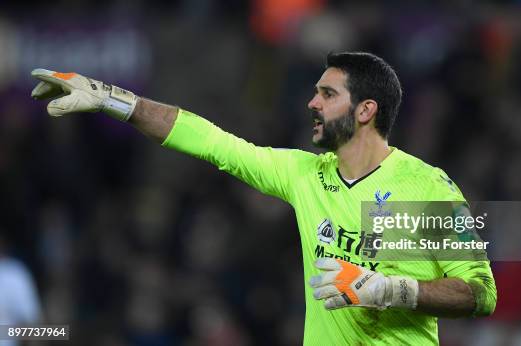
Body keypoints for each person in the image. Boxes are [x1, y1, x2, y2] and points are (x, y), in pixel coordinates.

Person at [31, 52, 496, 345]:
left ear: (365, 109)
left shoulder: (426, 188)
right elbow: (212, 142)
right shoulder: (306, 174)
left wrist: (390, 289)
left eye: (327, 94)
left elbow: (480, 295)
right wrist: (115, 100)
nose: (312, 103)